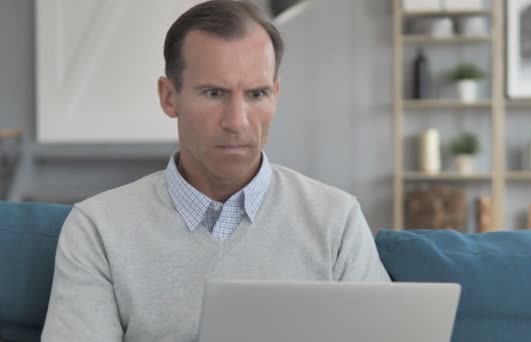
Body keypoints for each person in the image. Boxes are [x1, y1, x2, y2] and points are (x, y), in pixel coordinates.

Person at [41, 1, 390, 341]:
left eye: (256, 94)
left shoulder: (336, 221)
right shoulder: (97, 229)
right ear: (168, 97)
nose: (236, 121)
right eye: (213, 92)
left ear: (276, 95)